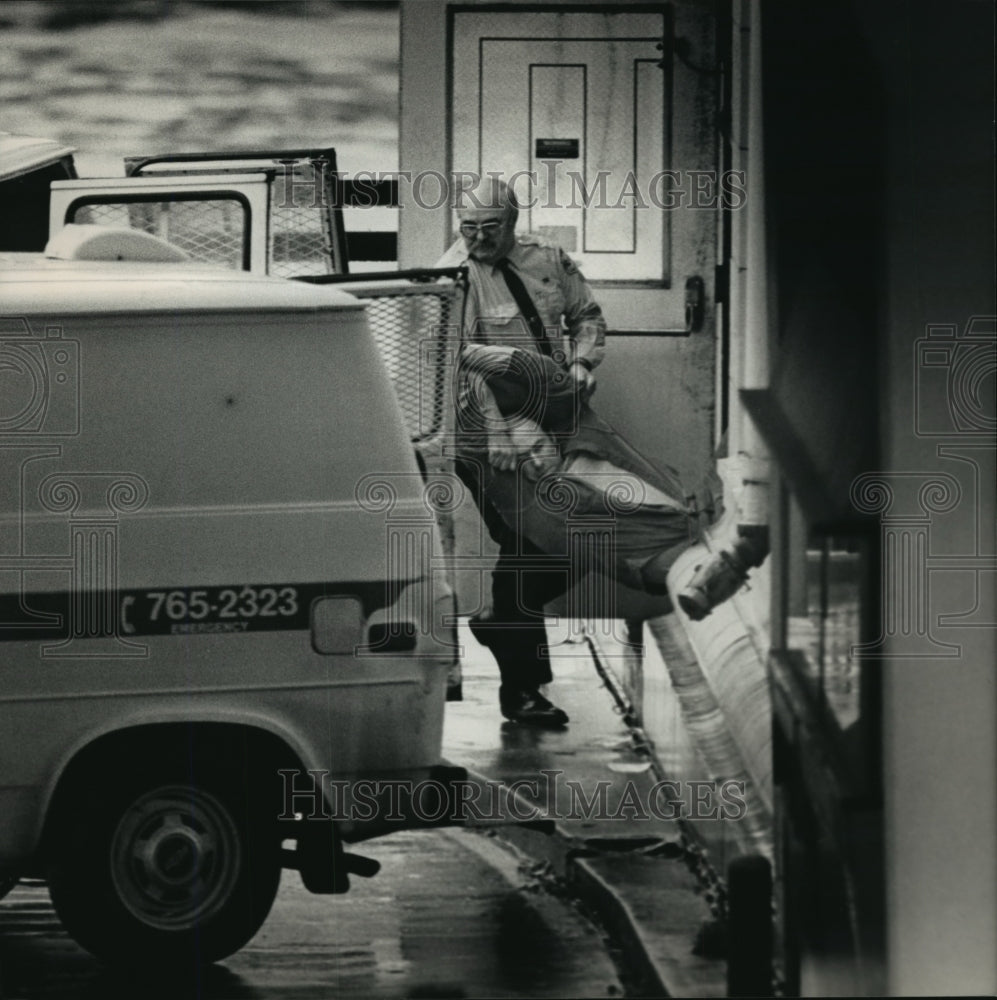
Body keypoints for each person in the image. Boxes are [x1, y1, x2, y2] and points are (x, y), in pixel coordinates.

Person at [436, 176, 607, 728]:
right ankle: (523, 689)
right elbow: (457, 360)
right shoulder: (455, 274)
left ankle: (497, 618)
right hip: (484, 432)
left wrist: (581, 362)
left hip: (551, 419)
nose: (478, 239)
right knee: (530, 540)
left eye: (490, 228)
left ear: (512, 222)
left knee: (567, 542)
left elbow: (586, 316)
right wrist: (503, 429)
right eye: (468, 228)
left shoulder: (547, 259)